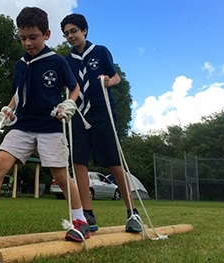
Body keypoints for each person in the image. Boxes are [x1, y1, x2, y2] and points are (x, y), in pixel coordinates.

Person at [0, 7, 90, 245]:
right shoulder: (20, 65)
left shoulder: (57, 62)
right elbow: (18, 93)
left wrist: (69, 104)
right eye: (23, 38)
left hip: (50, 125)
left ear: (46, 34)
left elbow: (74, 88)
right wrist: (9, 107)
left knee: (61, 176)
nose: (28, 43)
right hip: (23, 124)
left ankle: (80, 221)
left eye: (33, 37)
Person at [60, 14, 143, 233]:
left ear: (84, 30)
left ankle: (132, 213)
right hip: (78, 115)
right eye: (66, 33)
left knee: (114, 162)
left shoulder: (100, 51)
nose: (71, 36)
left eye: (74, 31)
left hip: (102, 113)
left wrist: (108, 81)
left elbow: (116, 77)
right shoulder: (67, 61)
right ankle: (87, 215)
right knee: (79, 162)